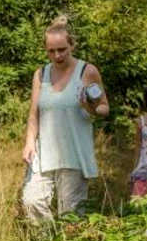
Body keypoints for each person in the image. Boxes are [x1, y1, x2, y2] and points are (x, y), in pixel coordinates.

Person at [21, 16, 109, 224]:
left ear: (72, 45)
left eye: (62, 49)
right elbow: (34, 114)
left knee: (70, 215)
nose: (57, 55)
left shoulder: (87, 71)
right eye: (51, 51)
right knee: (31, 201)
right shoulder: (41, 74)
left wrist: (89, 106)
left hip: (74, 152)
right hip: (44, 152)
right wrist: (29, 142)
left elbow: (104, 109)